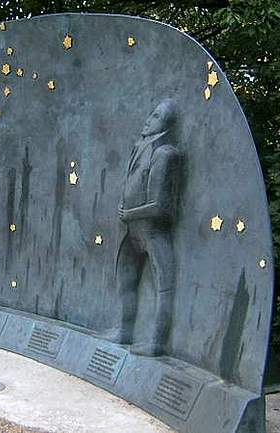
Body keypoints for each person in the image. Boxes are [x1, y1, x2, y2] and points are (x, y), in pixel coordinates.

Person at [113, 98, 180, 356]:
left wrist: (129, 212)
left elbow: (162, 206)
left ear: (165, 125)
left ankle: (156, 343)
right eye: (151, 114)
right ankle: (124, 331)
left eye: (156, 117)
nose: (149, 119)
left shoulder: (165, 154)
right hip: (131, 230)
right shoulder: (139, 148)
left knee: (163, 286)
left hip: (152, 232)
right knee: (126, 282)